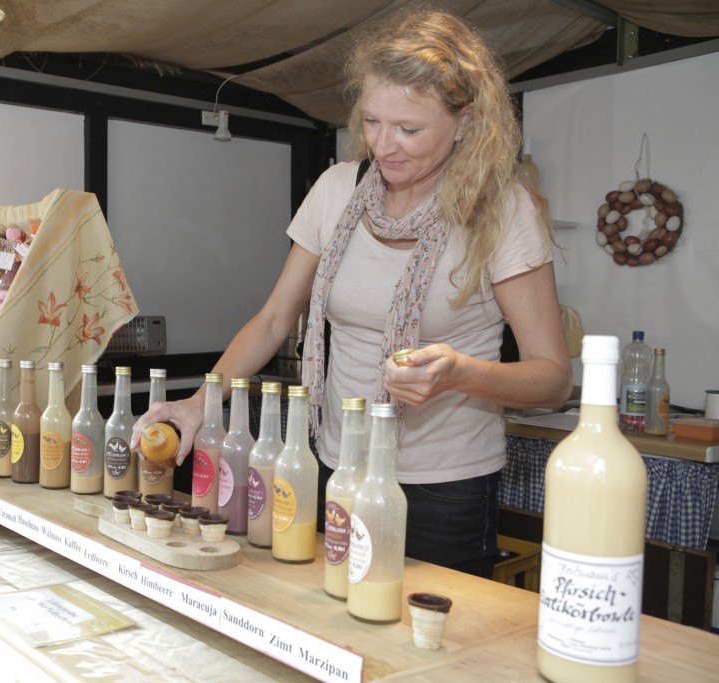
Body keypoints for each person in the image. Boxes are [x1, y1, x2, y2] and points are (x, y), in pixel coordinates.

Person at [132, 10, 572, 578]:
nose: (384, 146)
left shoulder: (504, 211)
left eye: (409, 129)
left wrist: (459, 373)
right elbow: (273, 320)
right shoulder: (337, 190)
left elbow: (552, 378)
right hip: (334, 467)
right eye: (371, 121)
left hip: (443, 489)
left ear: (465, 121)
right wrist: (200, 401)